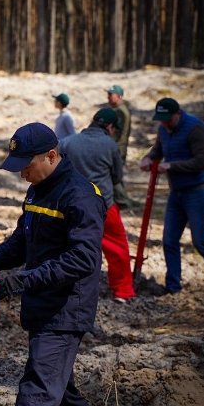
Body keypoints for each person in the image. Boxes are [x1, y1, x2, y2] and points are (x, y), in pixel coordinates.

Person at [0, 122, 104, 406]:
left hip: (65, 309)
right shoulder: (37, 188)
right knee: (59, 390)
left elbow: (84, 258)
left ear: (51, 156)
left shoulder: (80, 196)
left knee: (38, 389)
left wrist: (22, 281)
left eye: (26, 166)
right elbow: (23, 239)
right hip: (42, 304)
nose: (21, 173)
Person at [139, 98, 204, 293]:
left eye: (168, 119)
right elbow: (158, 150)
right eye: (161, 120)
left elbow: (203, 161)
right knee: (169, 240)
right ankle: (173, 286)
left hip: (198, 190)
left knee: (201, 241)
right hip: (177, 192)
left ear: (178, 113)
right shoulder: (163, 129)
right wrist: (148, 158)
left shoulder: (195, 128)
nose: (164, 123)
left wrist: (172, 166)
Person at [60, 108, 136, 301]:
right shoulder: (110, 145)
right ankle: (123, 292)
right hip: (104, 205)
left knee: (72, 247)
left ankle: (68, 288)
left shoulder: (68, 142)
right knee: (118, 248)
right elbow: (117, 177)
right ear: (110, 127)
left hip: (73, 204)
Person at [106, 85, 136, 210]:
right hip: (118, 148)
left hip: (117, 148)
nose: (108, 97)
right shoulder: (122, 109)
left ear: (119, 96)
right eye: (108, 94)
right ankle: (122, 200)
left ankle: (123, 201)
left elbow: (116, 133)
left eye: (110, 95)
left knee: (114, 176)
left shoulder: (120, 111)